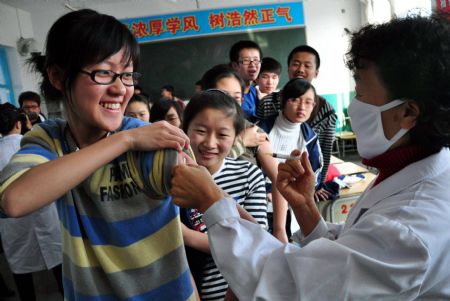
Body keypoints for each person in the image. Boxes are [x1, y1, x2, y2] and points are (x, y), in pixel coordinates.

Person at [170, 13, 450, 299]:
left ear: (407, 113)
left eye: (362, 94)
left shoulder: (409, 226)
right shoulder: (410, 173)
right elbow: (344, 254)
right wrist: (305, 208)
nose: (354, 107)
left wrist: (212, 203)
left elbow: (291, 287)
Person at [0, 9, 196, 301]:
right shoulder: (49, 140)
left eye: (127, 75)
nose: (120, 88)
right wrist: (124, 141)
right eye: (104, 72)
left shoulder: (152, 141)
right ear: (57, 76)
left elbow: (207, 199)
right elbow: (14, 200)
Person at [180, 89, 267, 301]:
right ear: (184, 130)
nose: (210, 143)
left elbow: (255, 245)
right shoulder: (172, 179)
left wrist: (185, 235)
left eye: (222, 135)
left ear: (237, 137)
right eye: (200, 131)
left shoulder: (248, 175)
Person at [200, 64, 289, 242]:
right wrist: (240, 143)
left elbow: (280, 180)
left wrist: (279, 230)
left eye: (237, 97)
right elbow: (201, 172)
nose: (231, 104)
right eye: (223, 96)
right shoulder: (196, 134)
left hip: (249, 228)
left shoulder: (254, 133)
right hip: (204, 225)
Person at [0, 103, 63, 301]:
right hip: (46, 213)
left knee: (20, 268)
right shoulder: (35, 146)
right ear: (19, 124)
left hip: (12, 220)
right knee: (59, 263)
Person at [257, 45, 337, 184]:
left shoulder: (327, 111)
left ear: (316, 72)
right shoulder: (268, 102)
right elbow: (256, 144)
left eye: (307, 65)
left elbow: (324, 153)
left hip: (301, 180)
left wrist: (317, 186)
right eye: (296, 64)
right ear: (288, 68)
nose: (300, 69)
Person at [258, 78, 324, 236]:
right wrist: (265, 190)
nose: (302, 107)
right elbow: (249, 168)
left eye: (308, 102)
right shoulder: (260, 130)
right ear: (283, 100)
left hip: (292, 206)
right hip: (261, 204)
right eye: (295, 100)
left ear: (314, 106)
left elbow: (314, 173)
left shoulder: (309, 138)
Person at [229, 40, 262, 122]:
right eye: (246, 60)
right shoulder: (231, 96)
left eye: (256, 60)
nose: (253, 65)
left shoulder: (255, 91)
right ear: (235, 65)